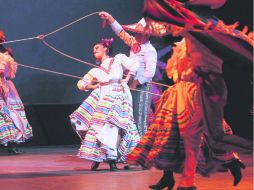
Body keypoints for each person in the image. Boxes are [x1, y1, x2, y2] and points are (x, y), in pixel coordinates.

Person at [127, 1, 253, 189]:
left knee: (200, 135)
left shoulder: (214, 33)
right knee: (167, 133)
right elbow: (161, 27)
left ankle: (221, 165)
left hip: (199, 90)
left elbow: (239, 48)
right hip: (179, 91)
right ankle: (169, 177)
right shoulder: (185, 37)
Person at [69, 38, 140, 171]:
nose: (94, 50)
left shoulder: (118, 59)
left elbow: (135, 64)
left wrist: (128, 77)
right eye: (93, 49)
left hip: (119, 94)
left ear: (105, 49)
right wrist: (93, 85)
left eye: (97, 47)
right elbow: (81, 84)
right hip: (104, 98)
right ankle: (101, 157)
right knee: (101, 128)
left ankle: (112, 158)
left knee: (114, 127)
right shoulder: (95, 71)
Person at [99, 12, 157, 137]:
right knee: (129, 118)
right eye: (136, 33)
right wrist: (110, 18)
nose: (135, 35)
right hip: (130, 84)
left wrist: (136, 82)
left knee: (139, 119)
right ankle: (131, 149)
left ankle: (141, 150)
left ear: (146, 35)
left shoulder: (150, 50)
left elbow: (149, 73)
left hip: (141, 87)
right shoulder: (134, 44)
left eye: (138, 33)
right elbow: (120, 33)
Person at [0, 30, 33, 154]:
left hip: (5, 85)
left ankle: (11, 142)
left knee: (10, 113)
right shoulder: (4, 55)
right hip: (4, 85)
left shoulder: (4, 54)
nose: (4, 36)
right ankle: (10, 143)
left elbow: (5, 72)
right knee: (6, 112)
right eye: (1, 34)